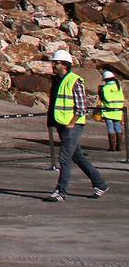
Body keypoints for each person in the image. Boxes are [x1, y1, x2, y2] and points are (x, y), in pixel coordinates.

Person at [46, 50, 109, 201]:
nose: (53, 65)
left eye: (56, 62)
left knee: (64, 158)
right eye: (54, 62)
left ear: (65, 65)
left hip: (72, 125)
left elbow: (82, 108)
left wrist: (71, 123)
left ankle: (61, 192)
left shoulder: (75, 81)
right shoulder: (56, 81)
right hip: (61, 123)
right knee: (78, 156)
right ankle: (100, 184)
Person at [99, 70, 123, 152]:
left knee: (110, 128)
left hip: (108, 110)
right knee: (118, 127)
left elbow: (105, 99)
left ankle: (112, 147)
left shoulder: (105, 88)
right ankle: (119, 147)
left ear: (106, 79)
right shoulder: (118, 87)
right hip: (118, 110)